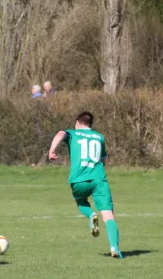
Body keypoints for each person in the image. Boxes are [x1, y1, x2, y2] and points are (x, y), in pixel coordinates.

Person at [48, 111, 123, 259]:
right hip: (99, 179)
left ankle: (91, 215)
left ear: (77, 121)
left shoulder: (73, 134)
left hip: (79, 179)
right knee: (109, 215)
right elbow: (103, 161)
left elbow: (59, 134)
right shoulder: (99, 137)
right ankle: (114, 247)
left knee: (81, 201)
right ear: (90, 124)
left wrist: (52, 151)